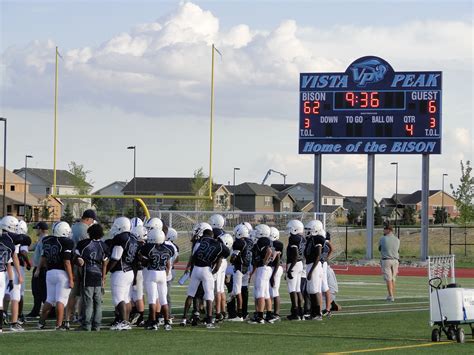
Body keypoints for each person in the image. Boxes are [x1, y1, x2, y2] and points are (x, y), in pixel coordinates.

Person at [181, 223, 230, 329]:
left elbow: (193, 256)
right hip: (206, 270)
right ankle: (209, 321)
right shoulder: (220, 246)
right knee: (209, 296)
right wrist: (212, 273)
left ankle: (184, 319)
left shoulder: (201, 242)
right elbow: (219, 262)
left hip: (196, 269)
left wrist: (188, 268)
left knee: (190, 294)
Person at [36, 221, 74, 330]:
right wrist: (71, 278)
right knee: (60, 300)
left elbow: (43, 256)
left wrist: (38, 269)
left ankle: (41, 322)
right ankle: (59, 324)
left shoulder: (47, 240)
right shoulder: (67, 242)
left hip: (50, 272)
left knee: (49, 299)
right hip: (62, 273)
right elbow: (67, 262)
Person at [74, 224, 109, 331]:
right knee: (98, 302)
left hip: (87, 275)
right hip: (98, 275)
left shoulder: (83, 244)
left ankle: (86, 325)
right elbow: (105, 263)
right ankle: (97, 325)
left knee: (88, 302)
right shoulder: (104, 246)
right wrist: (103, 277)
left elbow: (77, 258)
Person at [67, 209, 98, 327]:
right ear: (88, 219)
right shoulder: (84, 230)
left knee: (74, 293)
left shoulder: (73, 226)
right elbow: (88, 248)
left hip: (71, 261)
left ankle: (69, 317)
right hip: (80, 263)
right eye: (91, 221)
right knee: (82, 293)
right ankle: (79, 316)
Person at [106, 217, 138, 331]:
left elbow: (116, 257)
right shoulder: (133, 238)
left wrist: (106, 270)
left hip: (120, 271)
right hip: (129, 271)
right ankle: (125, 321)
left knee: (119, 299)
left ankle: (124, 322)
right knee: (126, 298)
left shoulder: (120, 238)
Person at [139, 229, 174, 331]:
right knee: (163, 300)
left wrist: (142, 259)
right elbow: (168, 264)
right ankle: (167, 323)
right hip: (162, 273)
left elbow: (145, 261)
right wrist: (166, 274)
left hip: (152, 273)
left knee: (152, 300)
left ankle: (153, 322)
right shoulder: (169, 248)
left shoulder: (148, 248)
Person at [0, 216, 26, 331]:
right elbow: (14, 257)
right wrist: (19, 274)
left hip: (5, 269)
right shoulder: (14, 239)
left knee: (4, 295)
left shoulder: (3, 236)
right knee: (15, 296)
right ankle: (14, 322)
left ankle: (4, 315)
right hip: (11, 269)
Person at [249, 224, 274, 324]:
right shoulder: (259, 243)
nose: (254, 232)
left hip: (263, 269)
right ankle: (268, 315)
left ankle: (260, 317)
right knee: (266, 293)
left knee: (260, 293)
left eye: (256, 230)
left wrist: (264, 261)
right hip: (264, 269)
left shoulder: (262, 240)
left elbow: (269, 251)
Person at [228, 223, 252, 322]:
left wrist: (232, 260)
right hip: (246, 269)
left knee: (238, 292)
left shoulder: (239, 243)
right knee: (238, 290)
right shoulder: (249, 242)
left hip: (239, 269)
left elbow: (233, 257)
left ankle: (239, 315)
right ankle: (230, 300)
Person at [304, 220, 327, 320]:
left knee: (314, 290)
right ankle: (315, 313)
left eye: (309, 230)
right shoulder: (311, 239)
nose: (307, 231)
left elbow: (318, 255)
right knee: (312, 290)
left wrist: (311, 270)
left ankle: (317, 313)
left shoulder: (318, 238)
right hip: (311, 265)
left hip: (315, 266)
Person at [285, 219, 305, 320]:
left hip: (294, 264)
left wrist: (289, 269)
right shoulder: (302, 238)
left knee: (292, 290)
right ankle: (300, 312)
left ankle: (295, 313)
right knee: (297, 289)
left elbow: (295, 255)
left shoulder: (293, 238)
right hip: (300, 263)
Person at [0, 226, 15, 333]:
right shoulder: (8, 246)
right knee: (0, 301)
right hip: (2, 274)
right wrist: (11, 280)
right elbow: (9, 264)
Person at [378, 224, 400, 302]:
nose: (383, 231)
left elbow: (380, 248)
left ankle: (391, 296)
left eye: (385, 229)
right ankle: (390, 294)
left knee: (388, 279)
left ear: (388, 230)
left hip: (386, 260)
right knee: (393, 279)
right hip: (395, 260)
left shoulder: (383, 239)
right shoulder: (397, 239)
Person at [269, 227, 283, 321]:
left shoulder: (277, 244)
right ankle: (270, 312)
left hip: (276, 268)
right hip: (272, 268)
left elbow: (277, 260)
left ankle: (276, 313)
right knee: (270, 292)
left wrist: (273, 275)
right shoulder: (271, 243)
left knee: (274, 291)